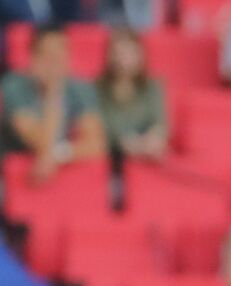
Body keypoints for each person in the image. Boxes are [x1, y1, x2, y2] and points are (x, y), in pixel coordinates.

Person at [0, 26, 104, 176]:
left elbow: (96, 144)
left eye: (59, 55)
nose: (54, 63)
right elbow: (41, 143)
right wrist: (53, 94)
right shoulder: (13, 87)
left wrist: (58, 155)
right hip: (12, 177)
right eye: (48, 56)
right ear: (33, 57)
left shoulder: (81, 88)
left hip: (61, 178)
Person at [94, 29, 167, 161]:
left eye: (129, 53)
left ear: (140, 55)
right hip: (109, 157)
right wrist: (124, 143)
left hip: (146, 155)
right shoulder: (97, 88)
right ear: (109, 56)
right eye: (118, 53)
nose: (123, 60)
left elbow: (160, 125)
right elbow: (98, 127)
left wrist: (152, 139)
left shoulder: (153, 87)